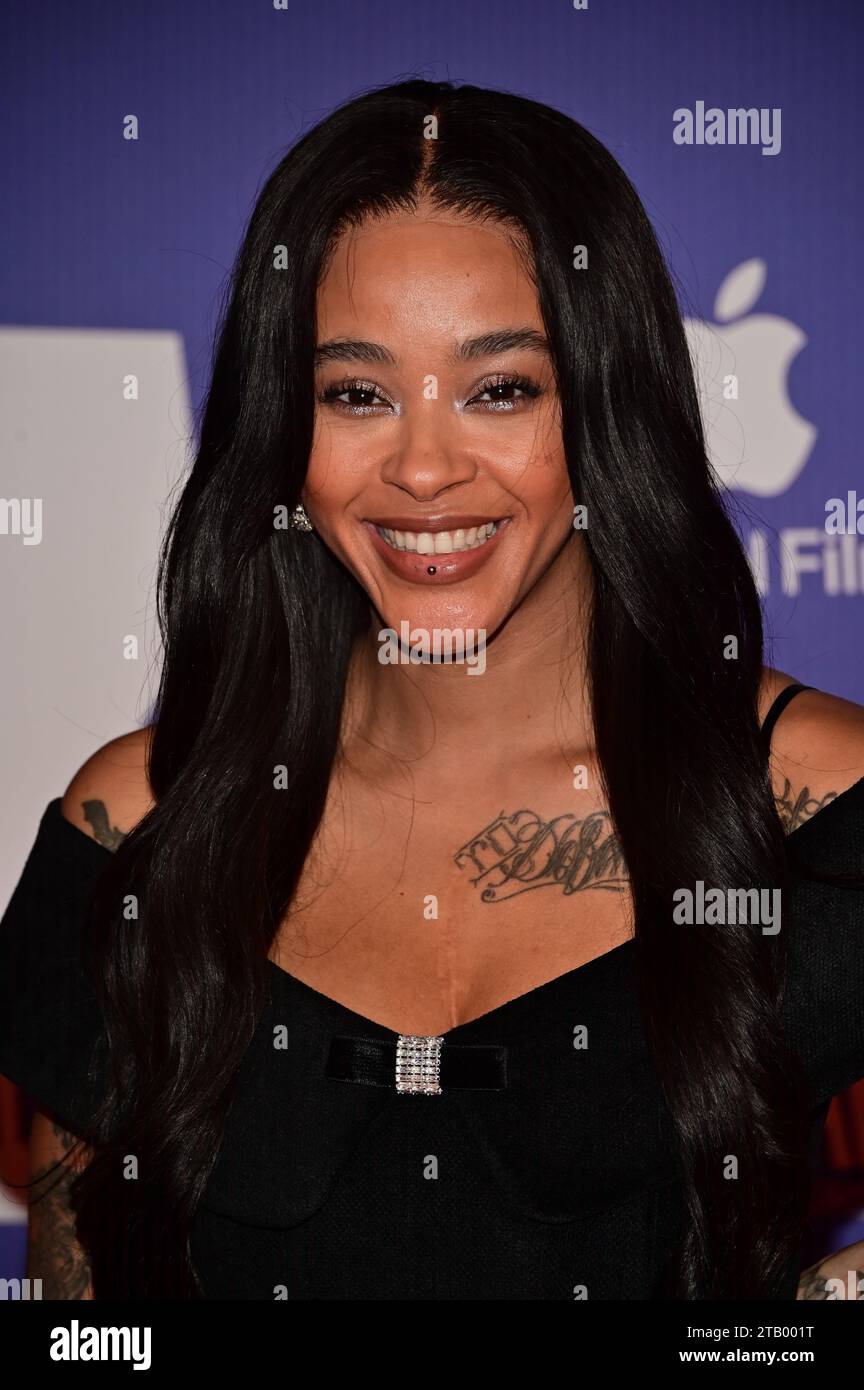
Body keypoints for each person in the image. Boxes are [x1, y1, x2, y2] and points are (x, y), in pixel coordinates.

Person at [2, 79, 864, 1302]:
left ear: (605, 406)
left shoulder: (819, 810)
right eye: (356, 392)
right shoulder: (145, 822)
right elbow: (84, 1320)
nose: (421, 465)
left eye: (499, 387)